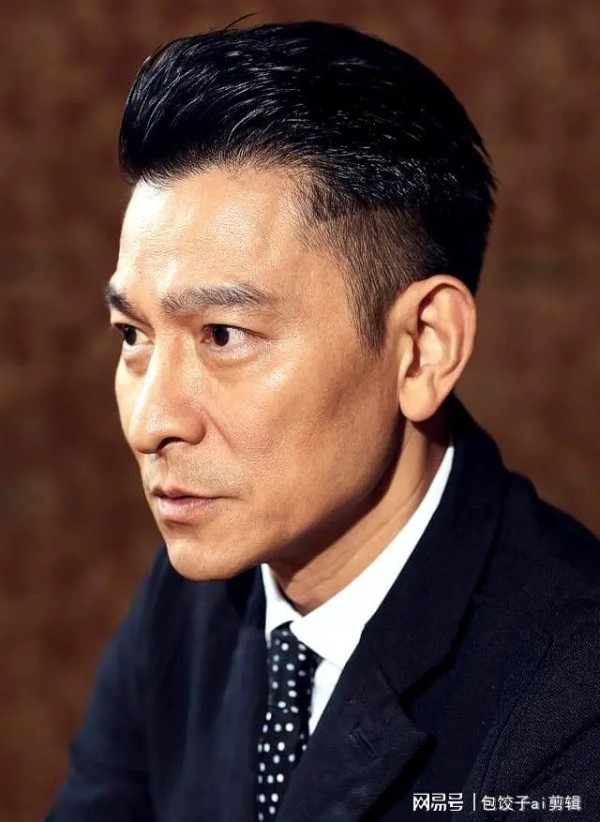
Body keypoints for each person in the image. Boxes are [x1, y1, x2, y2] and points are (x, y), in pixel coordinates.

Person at [47, 20, 599, 822]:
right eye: (133, 336)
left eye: (222, 336)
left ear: (423, 348)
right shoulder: (187, 601)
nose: (150, 422)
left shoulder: (574, 698)